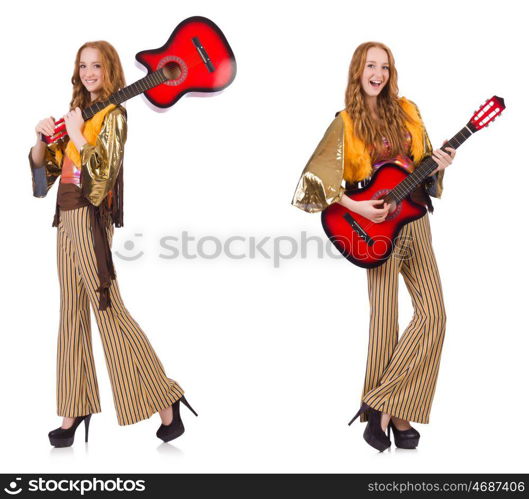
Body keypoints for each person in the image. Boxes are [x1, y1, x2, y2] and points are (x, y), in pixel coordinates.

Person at [29, 40, 197, 447]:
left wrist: (77, 137)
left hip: (89, 216)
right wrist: (39, 140)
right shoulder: (77, 114)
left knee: (107, 306)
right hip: (64, 215)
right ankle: (73, 409)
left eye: (97, 66)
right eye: (83, 66)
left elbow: (103, 177)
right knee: (70, 312)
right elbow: (43, 178)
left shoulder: (114, 115)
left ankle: (165, 398)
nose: (89, 73)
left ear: (110, 72)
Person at [291, 41, 456, 451]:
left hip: (414, 223)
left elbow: (425, 171)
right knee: (384, 323)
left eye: (385, 66)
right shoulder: (345, 123)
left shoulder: (409, 112)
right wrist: (357, 205)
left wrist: (440, 164)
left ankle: (380, 405)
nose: (378, 73)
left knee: (434, 315)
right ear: (357, 71)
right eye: (371, 65)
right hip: (374, 227)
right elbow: (313, 182)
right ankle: (397, 418)